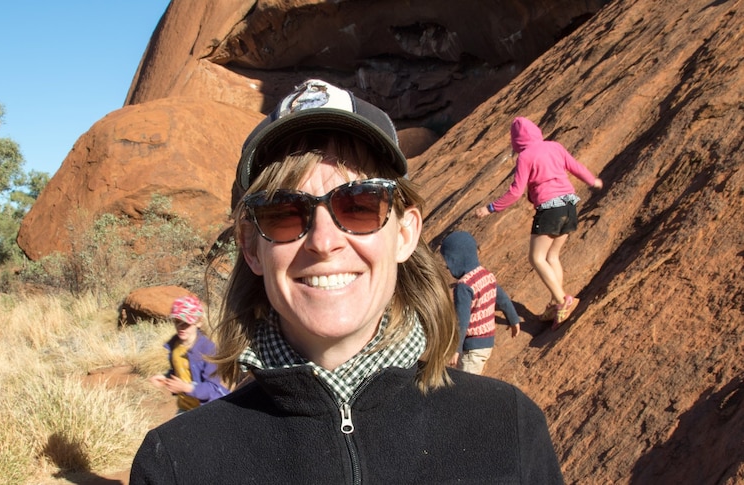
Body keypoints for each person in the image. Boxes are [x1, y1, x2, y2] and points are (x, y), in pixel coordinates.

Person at [131, 79, 563, 484]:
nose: (323, 242)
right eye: (283, 213)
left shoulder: (508, 427)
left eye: (359, 204)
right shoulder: (176, 464)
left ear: (405, 233)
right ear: (250, 247)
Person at [476, 116, 603, 330]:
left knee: (536, 258)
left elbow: (516, 192)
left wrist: (490, 208)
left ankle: (562, 300)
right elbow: (575, 167)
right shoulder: (555, 146)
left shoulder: (525, 156)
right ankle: (556, 302)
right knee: (552, 256)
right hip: (569, 205)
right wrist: (592, 180)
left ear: (516, 141)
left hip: (550, 209)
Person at [440, 230, 521, 374]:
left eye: (448, 262)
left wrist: (456, 349)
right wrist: (514, 320)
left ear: (456, 259)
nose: (447, 267)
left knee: (465, 387)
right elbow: (503, 300)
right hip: (487, 342)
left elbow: (462, 322)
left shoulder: (464, 287)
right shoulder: (486, 275)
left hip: (472, 347)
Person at [147, 295, 229, 413]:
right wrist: (165, 379)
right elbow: (181, 373)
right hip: (184, 408)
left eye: (186, 323)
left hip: (207, 409)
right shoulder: (175, 347)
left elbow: (213, 388)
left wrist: (186, 388)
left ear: (198, 322)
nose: (181, 328)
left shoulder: (208, 349)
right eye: (177, 322)